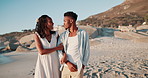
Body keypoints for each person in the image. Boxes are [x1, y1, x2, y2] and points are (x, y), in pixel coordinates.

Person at [58, 11, 90, 78]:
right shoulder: (63, 35)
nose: (63, 23)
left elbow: (86, 50)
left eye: (65, 21)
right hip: (66, 67)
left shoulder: (83, 34)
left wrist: (83, 65)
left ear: (71, 21)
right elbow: (59, 50)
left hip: (77, 67)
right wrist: (67, 63)